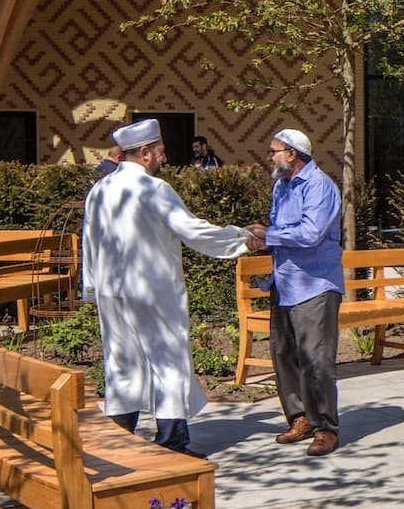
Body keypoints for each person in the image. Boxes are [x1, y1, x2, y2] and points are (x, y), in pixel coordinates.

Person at [82, 119, 259, 454]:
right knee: (168, 361)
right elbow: (192, 230)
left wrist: (92, 288)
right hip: (152, 291)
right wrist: (241, 240)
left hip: (112, 292)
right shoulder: (154, 190)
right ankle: (171, 443)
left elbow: (88, 243)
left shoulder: (99, 190)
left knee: (121, 362)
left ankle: (118, 442)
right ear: (145, 152)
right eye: (160, 149)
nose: (165, 156)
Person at [254, 128, 345, 457]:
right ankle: (300, 417)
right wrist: (264, 237)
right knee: (284, 355)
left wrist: (270, 235)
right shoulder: (281, 186)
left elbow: (310, 234)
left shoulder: (320, 186)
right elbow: (279, 230)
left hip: (315, 285)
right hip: (284, 283)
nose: (270, 156)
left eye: (274, 150)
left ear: (292, 154)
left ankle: (325, 428)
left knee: (316, 361)